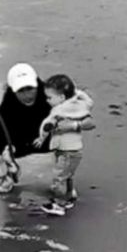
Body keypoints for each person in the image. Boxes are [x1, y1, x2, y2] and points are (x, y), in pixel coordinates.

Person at [0, 63, 93, 195]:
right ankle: (7, 174)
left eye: (30, 88)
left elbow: (84, 115)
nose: (27, 95)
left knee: (68, 152)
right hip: (20, 144)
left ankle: (64, 181)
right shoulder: (6, 109)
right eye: (21, 90)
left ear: (37, 84)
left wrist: (74, 124)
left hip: (51, 142)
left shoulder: (52, 97)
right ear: (13, 90)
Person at [32, 73, 92, 215]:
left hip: (67, 151)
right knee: (67, 174)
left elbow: (48, 124)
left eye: (49, 97)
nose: (47, 101)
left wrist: (42, 137)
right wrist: (77, 93)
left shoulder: (61, 110)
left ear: (62, 98)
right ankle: (69, 197)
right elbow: (89, 102)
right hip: (74, 151)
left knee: (59, 177)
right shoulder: (77, 107)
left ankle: (58, 204)